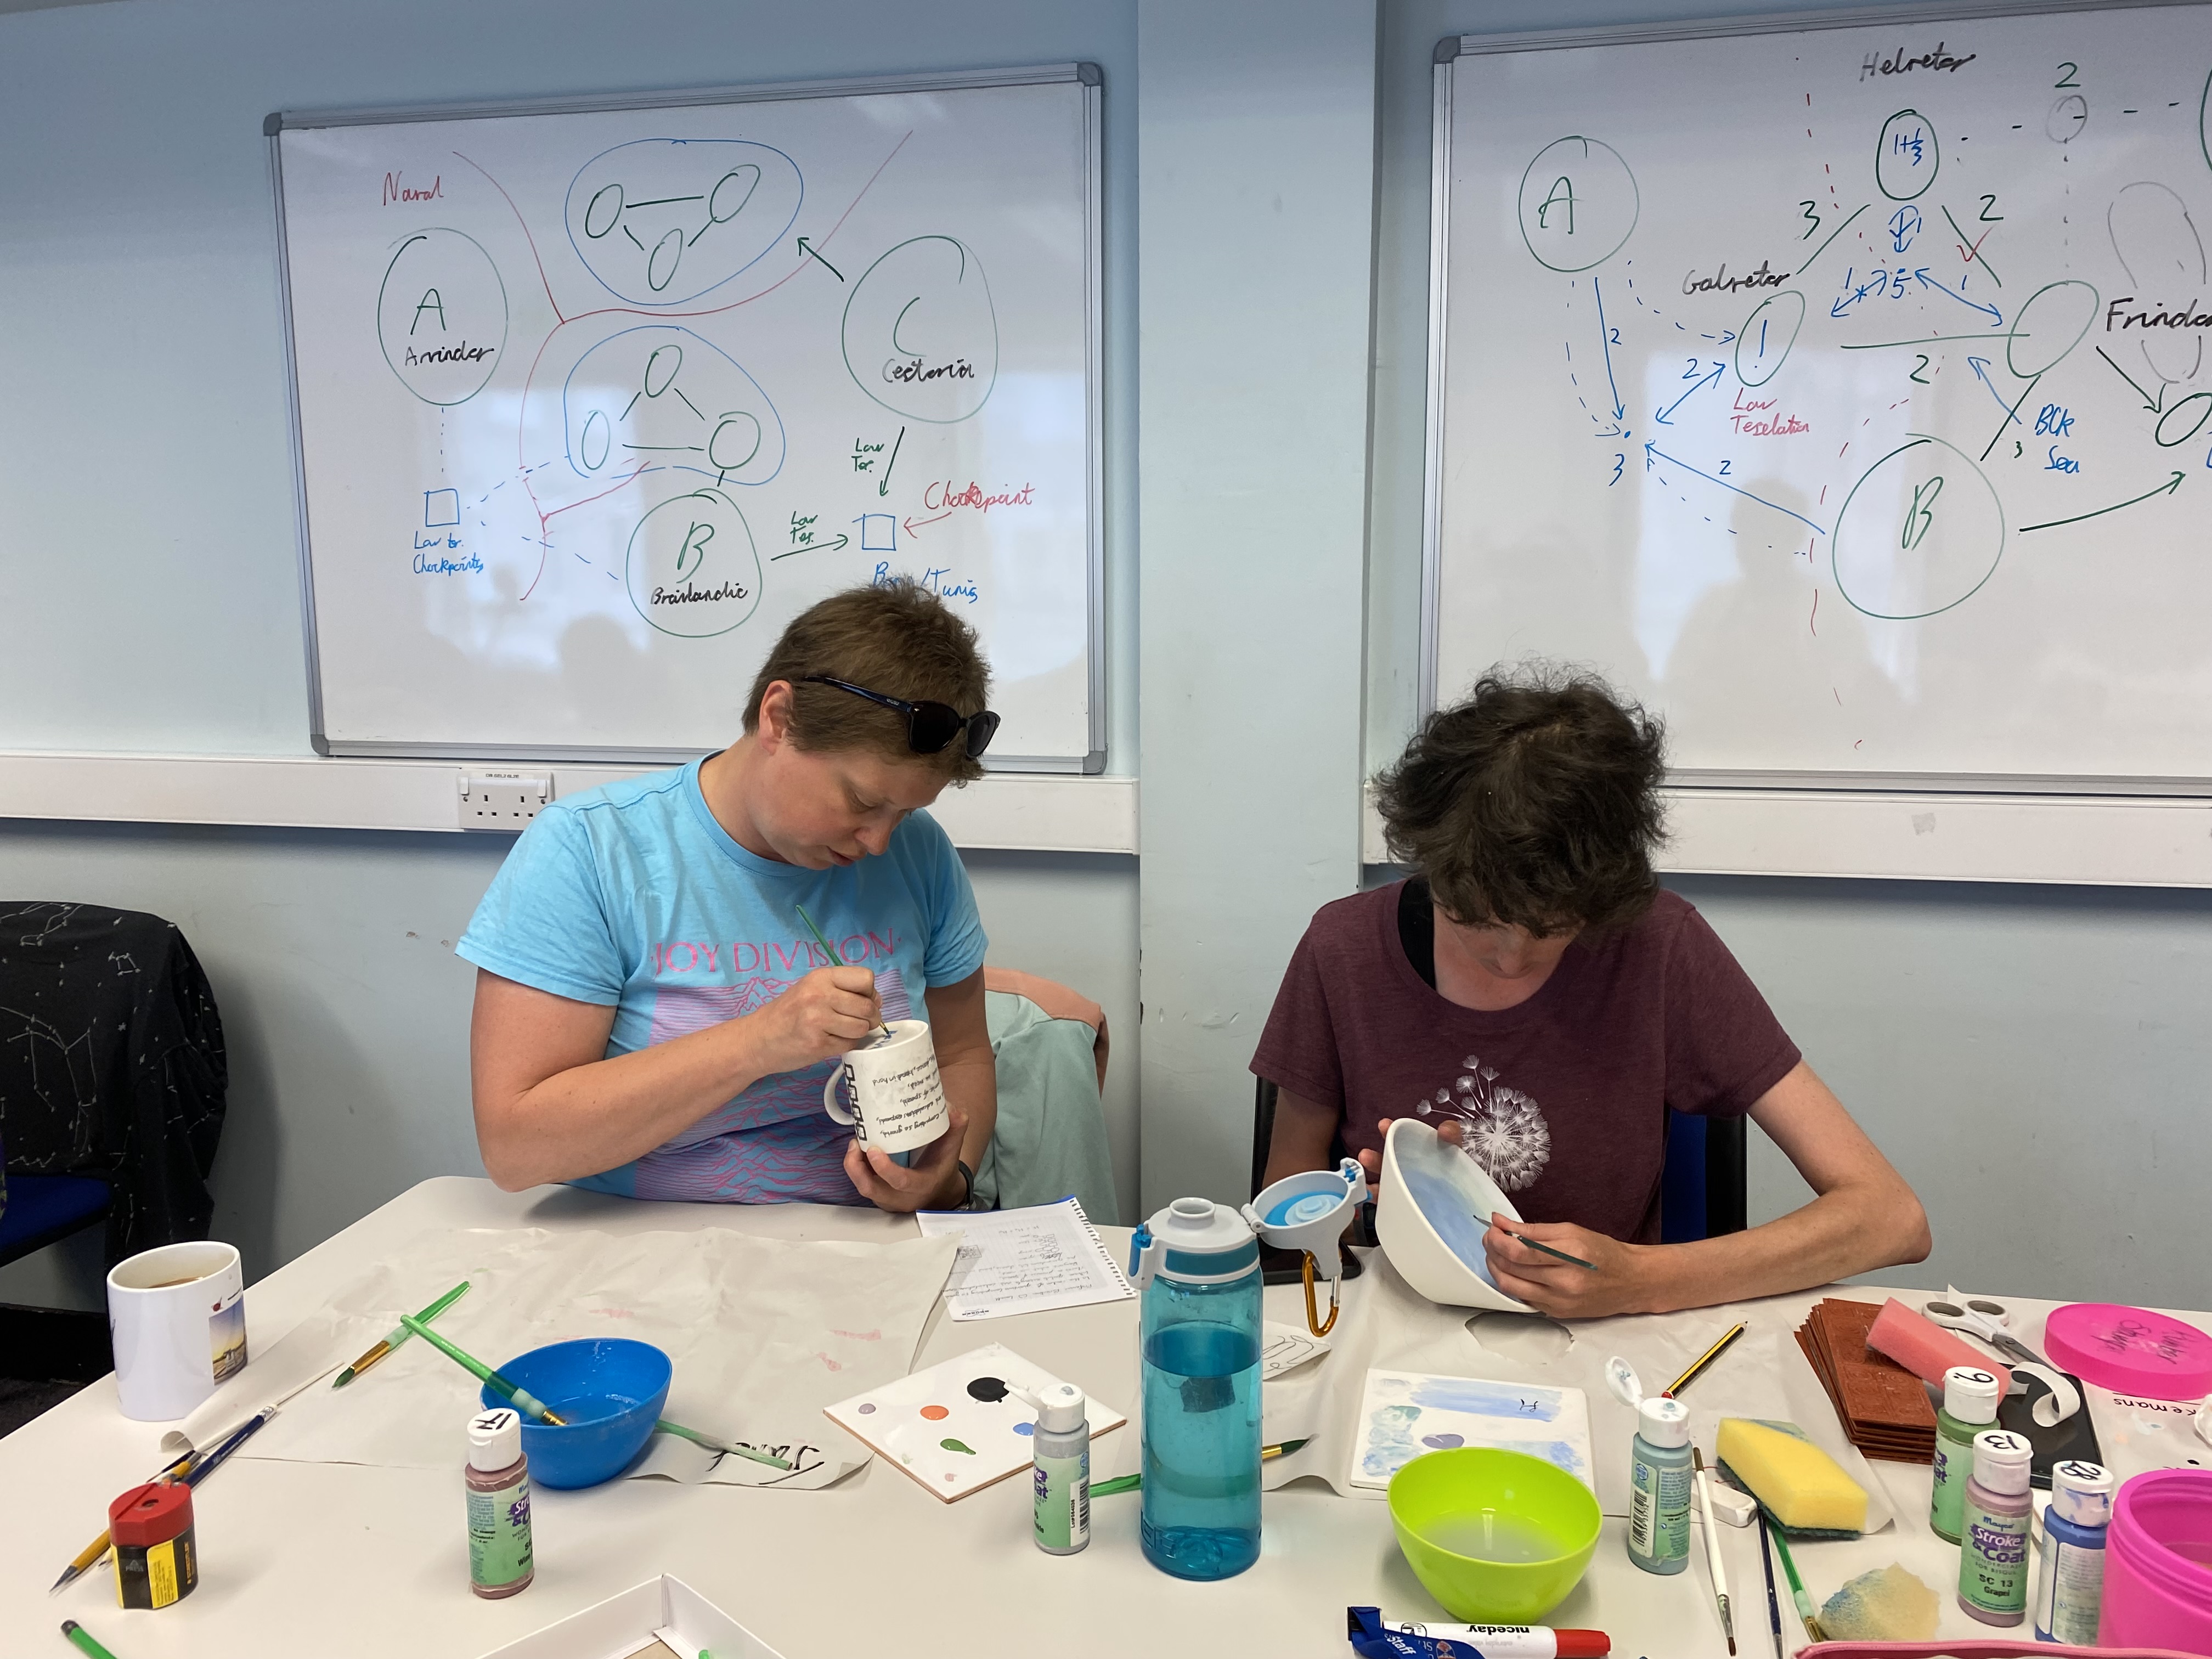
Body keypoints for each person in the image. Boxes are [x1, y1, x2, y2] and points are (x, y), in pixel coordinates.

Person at [1251, 667, 1929, 1317]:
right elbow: (1284, 1202)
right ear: (1431, 861)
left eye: (1554, 928)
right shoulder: (1343, 949)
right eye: (1474, 919)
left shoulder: (1660, 948)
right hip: (1399, 1328)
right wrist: (1361, 1210)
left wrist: (1640, 1279)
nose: (1511, 959)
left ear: (1602, 898)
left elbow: (1891, 1217)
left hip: (1606, 1347)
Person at [458, 581, 998, 1213]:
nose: (880, 842)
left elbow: (963, 1054)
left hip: (865, 1243)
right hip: (643, 1244)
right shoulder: (591, 851)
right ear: (779, 718)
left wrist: (949, 1177)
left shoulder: (920, 854)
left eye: (905, 814)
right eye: (862, 802)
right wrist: (757, 1043)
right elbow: (516, 1150)